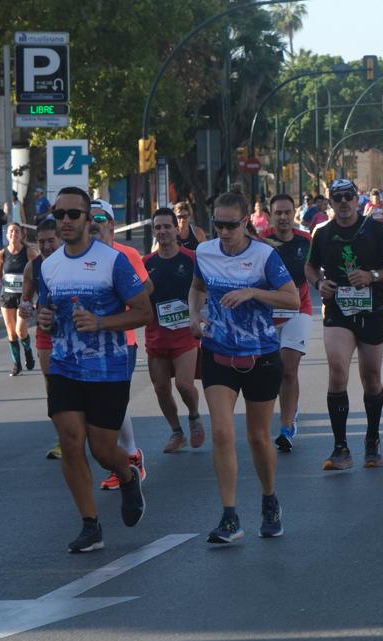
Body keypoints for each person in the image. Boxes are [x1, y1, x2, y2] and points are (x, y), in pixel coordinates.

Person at [34, 186, 151, 553]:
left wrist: (101, 323)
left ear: (88, 219)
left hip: (108, 369)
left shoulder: (112, 261)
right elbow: (47, 314)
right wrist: (45, 319)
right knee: (70, 442)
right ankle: (90, 525)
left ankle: (128, 476)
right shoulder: (48, 266)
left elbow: (145, 312)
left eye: (73, 214)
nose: (65, 221)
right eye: (59, 215)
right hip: (66, 365)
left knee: (103, 450)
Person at [188, 191, 299, 543]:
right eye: (217, 224)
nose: (223, 231)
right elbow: (196, 288)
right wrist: (194, 314)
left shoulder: (265, 255)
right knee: (221, 432)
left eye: (230, 225)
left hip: (261, 355)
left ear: (245, 223)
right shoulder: (204, 253)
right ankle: (230, 516)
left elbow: (292, 298)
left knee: (257, 437)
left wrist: (254, 293)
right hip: (218, 352)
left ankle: (269, 499)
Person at [305, 179, 383, 470]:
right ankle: (340, 447)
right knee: (337, 371)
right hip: (338, 310)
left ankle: (372, 439)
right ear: (330, 202)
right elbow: (310, 266)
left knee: (371, 378)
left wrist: (372, 276)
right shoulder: (322, 233)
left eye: (349, 196)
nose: (344, 202)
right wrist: (319, 283)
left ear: (357, 199)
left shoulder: (376, 228)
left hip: (372, 310)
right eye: (337, 197)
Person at [86, 200, 152, 490]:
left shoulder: (126, 254)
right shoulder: (78, 256)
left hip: (121, 340)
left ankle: (131, 455)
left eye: (100, 217)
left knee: (115, 401)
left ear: (111, 223)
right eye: (88, 217)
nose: (94, 222)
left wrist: (122, 302)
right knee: (95, 404)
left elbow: (146, 289)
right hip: (87, 343)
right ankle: (122, 456)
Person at [142, 208, 204, 453]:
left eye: (167, 226)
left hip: (184, 333)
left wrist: (197, 315)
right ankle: (176, 432)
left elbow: (204, 290)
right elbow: (135, 295)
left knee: (184, 384)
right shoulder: (146, 263)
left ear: (175, 229)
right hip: (156, 332)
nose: (163, 231)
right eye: (158, 227)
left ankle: (194, 416)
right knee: (160, 388)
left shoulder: (191, 258)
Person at [261, 193, 312, 453]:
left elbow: (317, 269)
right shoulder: (261, 241)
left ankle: (286, 427)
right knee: (271, 372)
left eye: (287, 212)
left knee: (288, 367)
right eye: (278, 213)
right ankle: (290, 407)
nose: (283, 217)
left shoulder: (306, 241)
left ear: (295, 214)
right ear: (270, 215)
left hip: (298, 310)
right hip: (268, 315)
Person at [19, 218, 62, 458]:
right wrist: (25, 309)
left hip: (74, 332)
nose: (46, 246)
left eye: (50, 241)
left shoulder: (71, 262)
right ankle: (63, 439)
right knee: (53, 386)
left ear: (60, 239)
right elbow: (26, 302)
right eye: (42, 241)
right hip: (46, 332)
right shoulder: (32, 267)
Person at [0, 222, 38, 376]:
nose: (14, 234)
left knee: (20, 331)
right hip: (7, 296)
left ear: (22, 234)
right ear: (7, 235)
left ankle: (28, 351)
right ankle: (17, 364)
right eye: (11, 231)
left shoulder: (29, 252)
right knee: (11, 333)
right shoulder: (1, 254)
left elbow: (36, 271)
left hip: (24, 296)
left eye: (17, 231)